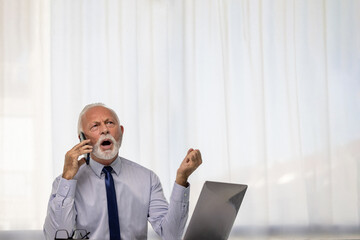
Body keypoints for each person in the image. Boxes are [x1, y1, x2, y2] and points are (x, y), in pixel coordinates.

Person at [43, 103, 202, 240]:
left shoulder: (147, 179)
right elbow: (57, 236)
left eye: (110, 123)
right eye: (95, 126)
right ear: (82, 138)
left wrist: (182, 179)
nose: (105, 130)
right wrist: (68, 180)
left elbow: (171, 235)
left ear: (121, 131)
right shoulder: (65, 183)